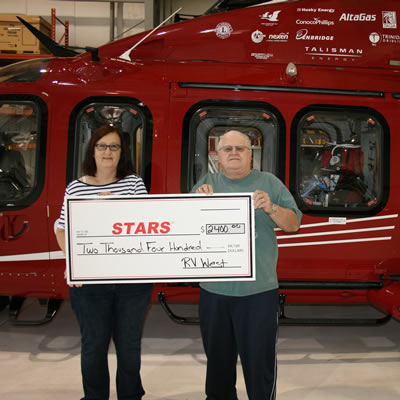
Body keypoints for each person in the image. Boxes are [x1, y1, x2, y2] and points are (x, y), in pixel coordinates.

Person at [192, 130, 302, 400]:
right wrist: (196, 204)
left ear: (251, 154)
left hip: (258, 293)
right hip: (214, 292)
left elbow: (294, 224)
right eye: (227, 149)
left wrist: (271, 207)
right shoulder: (205, 185)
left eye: (240, 149)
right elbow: (186, 233)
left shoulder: (269, 183)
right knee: (218, 365)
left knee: (259, 363)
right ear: (217, 155)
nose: (233, 153)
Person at [55, 124, 152, 400]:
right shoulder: (76, 187)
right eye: (102, 146)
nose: (107, 152)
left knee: (129, 347)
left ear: (122, 153)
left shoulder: (133, 184)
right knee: (94, 346)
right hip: (90, 284)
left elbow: (145, 225)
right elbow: (62, 228)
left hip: (132, 283)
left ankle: (130, 396)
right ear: (92, 150)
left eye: (114, 146)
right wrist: (72, 261)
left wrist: (114, 208)